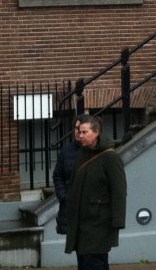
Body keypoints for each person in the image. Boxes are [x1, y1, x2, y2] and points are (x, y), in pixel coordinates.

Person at [63, 115, 126, 270]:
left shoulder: (111, 157)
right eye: (79, 132)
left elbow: (119, 191)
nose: (80, 136)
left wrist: (117, 223)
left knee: (95, 263)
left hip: (99, 224)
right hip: (81, 224)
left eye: (85, 132)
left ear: (96, 132)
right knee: (85, 263)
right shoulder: (81, 154)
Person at [52, 115, 88, 234]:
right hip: (70, 208)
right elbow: (57, 176)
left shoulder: (94, 151)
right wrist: (63, 195)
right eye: (76, 128)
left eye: (81, 129)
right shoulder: (66, 151)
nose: (78, 132)